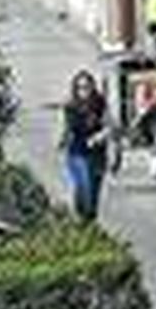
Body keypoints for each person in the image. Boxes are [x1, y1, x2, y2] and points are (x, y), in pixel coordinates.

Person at [61, 70, 112, 220]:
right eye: (80, 87)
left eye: (87, 87)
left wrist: (103, 134)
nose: (84, 91)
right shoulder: (71, 106)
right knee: (84, 187)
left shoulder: (100, 103)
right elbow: (72, 127)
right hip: (78, 154)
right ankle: (82, 218)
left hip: (97, 155)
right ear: (75, 89)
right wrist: (65, 138)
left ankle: (89, 224)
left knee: (94, 193)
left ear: (93, 87)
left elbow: (109, 123)